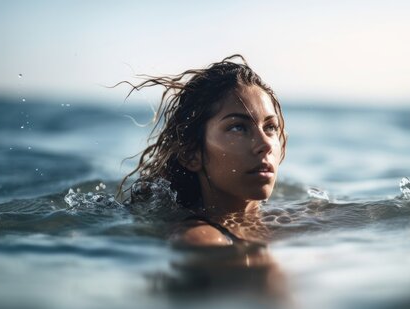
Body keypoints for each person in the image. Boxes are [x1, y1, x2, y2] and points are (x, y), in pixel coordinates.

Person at [119, 55, 287, 247]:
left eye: (271, 127)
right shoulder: (201, 239)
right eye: (238, 127)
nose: (265, 144)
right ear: (191, 154)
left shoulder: (296, 217)